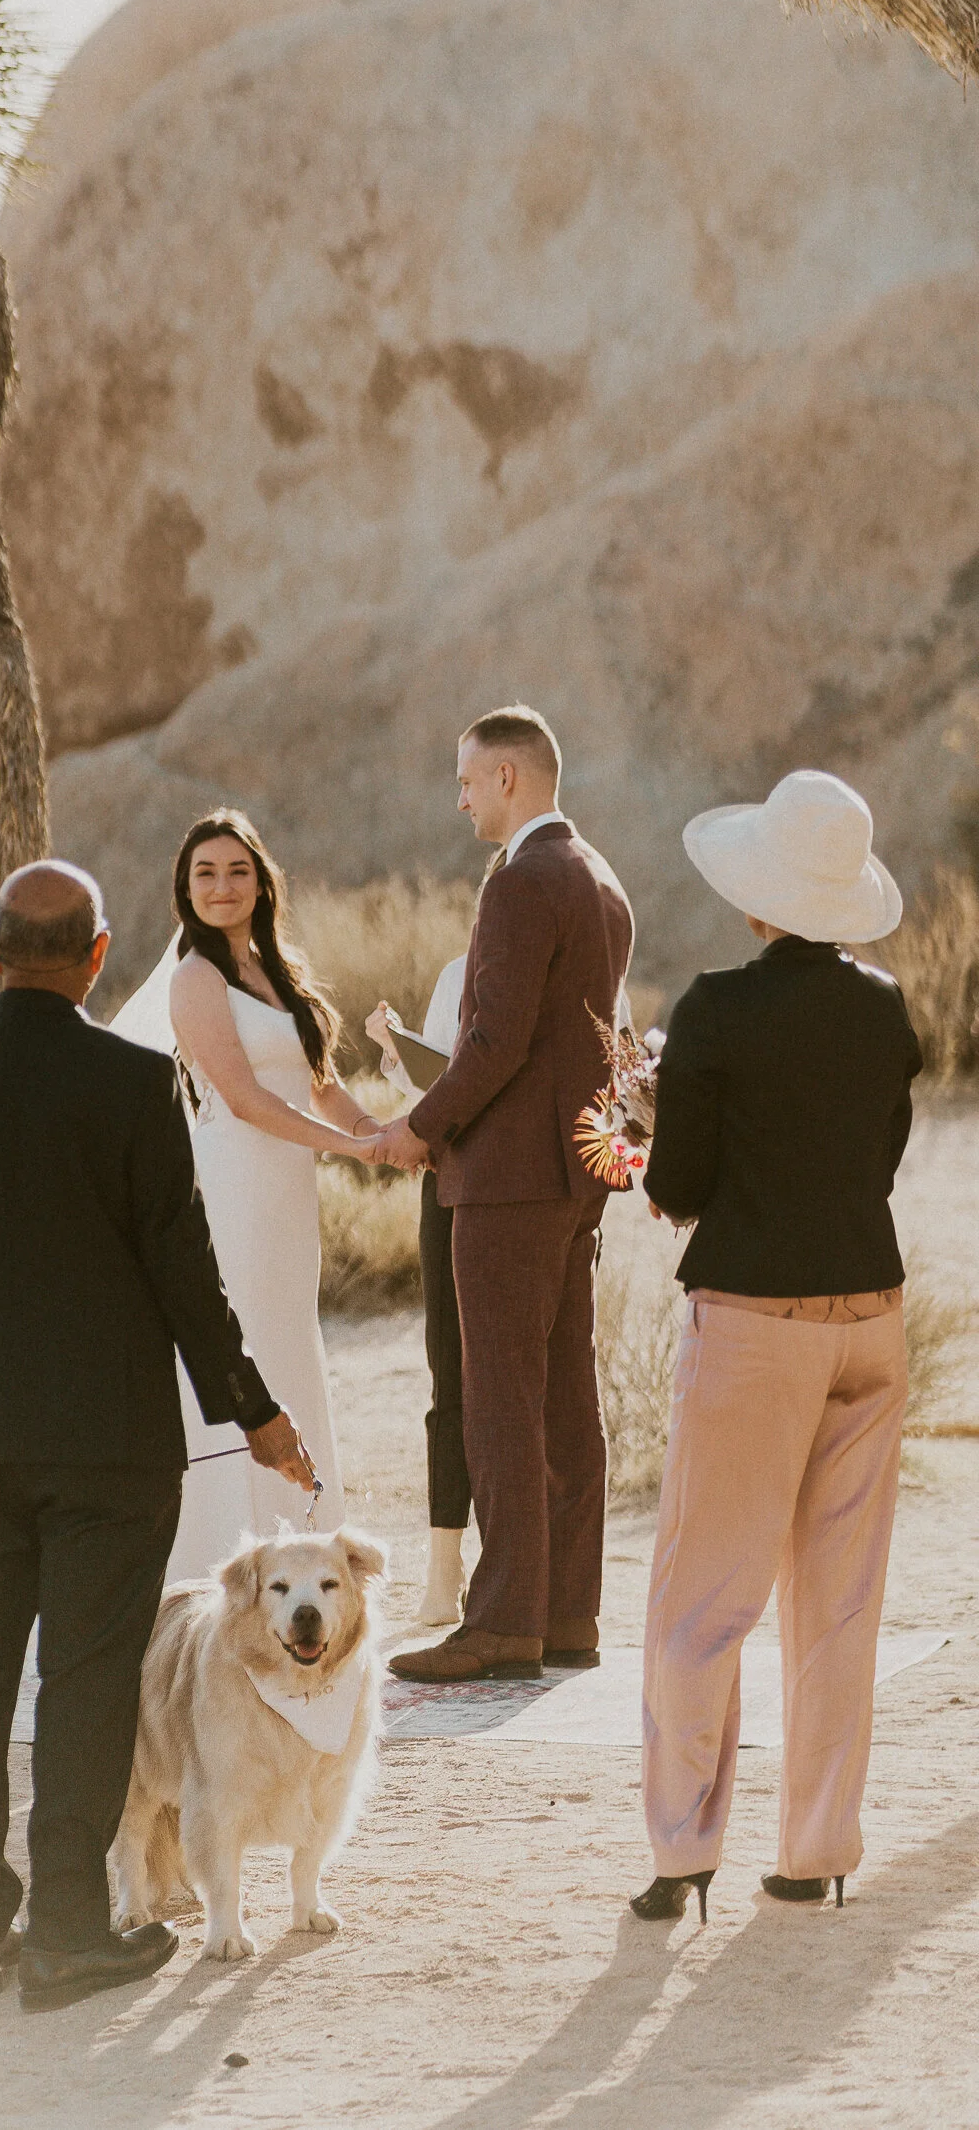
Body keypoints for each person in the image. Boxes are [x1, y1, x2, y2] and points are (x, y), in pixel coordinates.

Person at [0, 860, 314, 2015]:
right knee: (87, 1679)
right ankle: (67, 1927)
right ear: (100, 953)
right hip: (109, 1446)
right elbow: (184, 1267)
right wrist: (255, 1411)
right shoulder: (130, 1082)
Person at [629, 771, 919, 1925]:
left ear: (759, 898)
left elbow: (681, 1185)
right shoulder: (889, 1008)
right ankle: (817, 1848)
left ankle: (683, 1850)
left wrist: (657, 1123)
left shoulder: (712, 1011)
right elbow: (876, 1161)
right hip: (873, 1312)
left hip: (755, 1321)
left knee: (703, 1597)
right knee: (841, 1599)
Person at [372, 707, 633, 1687]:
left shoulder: (522, 882)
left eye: (471, 779)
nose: (462, 796)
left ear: (512, 779)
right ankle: (568, 1612)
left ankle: (502, 1622)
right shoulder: (599, 878)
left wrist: (418, 1127)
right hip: (575, 1176)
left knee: (499, 1399)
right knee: (566, 1395)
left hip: (510, 1180)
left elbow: (496, 1042)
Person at [111, 810, 398, 1577]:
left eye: (237, 870)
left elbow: (322, 1085)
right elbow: (241, 1098)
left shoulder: (282, 972)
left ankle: (297, 1545)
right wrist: (352, 1149)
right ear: (185, 890)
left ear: (262, 882)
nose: (222, 886)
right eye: (205, 873)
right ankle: (220, 1557)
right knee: (242, 1345)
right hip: (232, 1186)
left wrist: (387, 1136)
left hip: (287, 1198)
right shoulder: (194, 979)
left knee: (288, 1339)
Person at [366, 952, 472, 1627]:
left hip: (531, 1189)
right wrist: (393, 1048)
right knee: (449, 1373)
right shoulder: (457, 971)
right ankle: (444, 1570)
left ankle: (519, 1569)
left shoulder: (584, 960)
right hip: (447, 1180)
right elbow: (430, 1086)